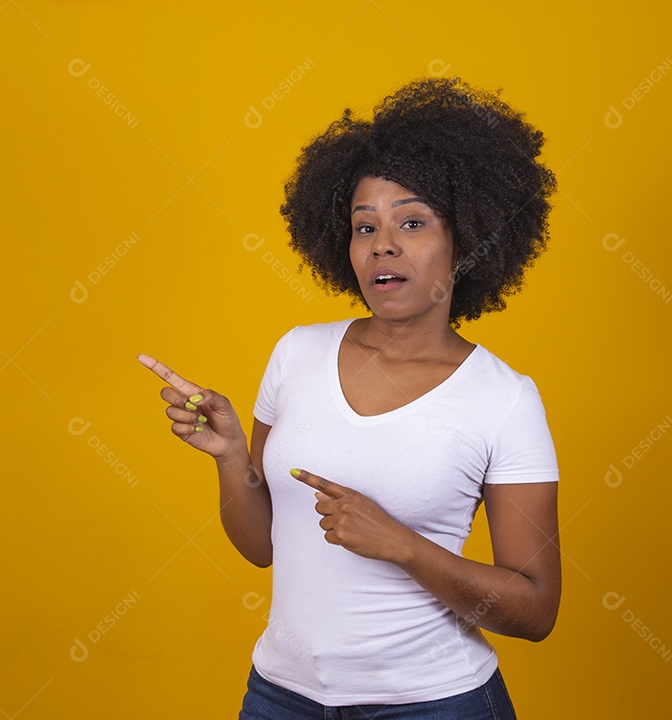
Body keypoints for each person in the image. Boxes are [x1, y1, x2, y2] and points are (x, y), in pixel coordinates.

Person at [138, 76, 560, 719]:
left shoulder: (504, 399)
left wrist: (403, 545)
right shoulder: (296, 354)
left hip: (432, 704)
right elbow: (265, 547)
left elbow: (534, 610)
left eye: (412, 222)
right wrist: (229, 460)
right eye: (365, 227)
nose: (383, 243)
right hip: (282, 696)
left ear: (468, 241)